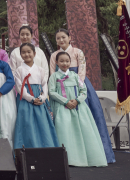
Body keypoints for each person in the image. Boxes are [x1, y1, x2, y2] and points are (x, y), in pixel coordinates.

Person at [49, 29, 115, 164]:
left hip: (78, 87)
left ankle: (93, 154)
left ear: (69, 37)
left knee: (88, 121)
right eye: (58, 38)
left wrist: (77, 93)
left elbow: (81, 71)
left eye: (63, 37)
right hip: (61, 92)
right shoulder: (54, 55)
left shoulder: (78, 52)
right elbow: (52, 74)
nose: (61, 40)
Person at [13, 43, 59, 150]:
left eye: (29, 52)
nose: (26, 54)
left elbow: (44, 85)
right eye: (23, 52)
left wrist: (42, 98)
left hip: (40, 99)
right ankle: (27, 150)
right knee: (26, 123)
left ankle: (46, 149)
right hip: (25, 100)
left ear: (34, 53)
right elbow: (19, 87)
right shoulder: (19, 70)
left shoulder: (40, 70)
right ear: (20, 55)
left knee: (43, 124)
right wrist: (31, 99)